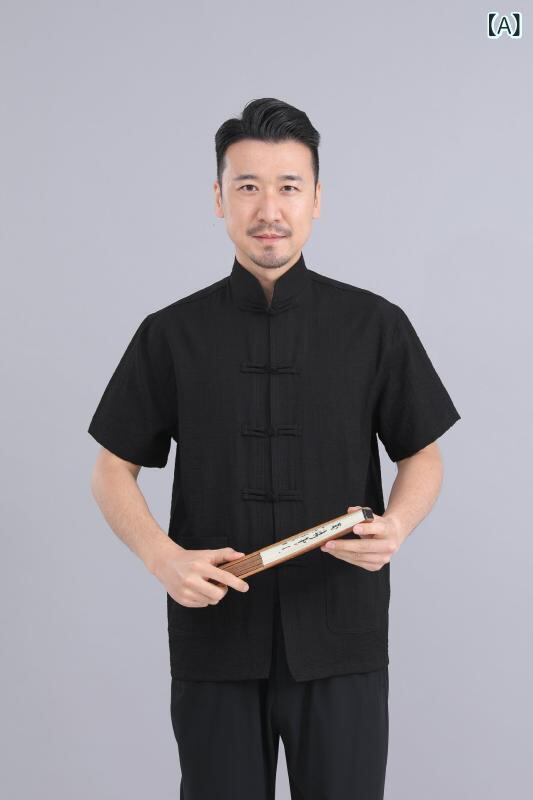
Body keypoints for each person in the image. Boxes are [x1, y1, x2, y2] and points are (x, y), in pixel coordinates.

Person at [88, 97, 461, 799]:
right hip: (214, 639)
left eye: (288, 186)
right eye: (247, 187)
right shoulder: (170, 333)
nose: (269, 209)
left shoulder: (374, 325)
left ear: (316, 198)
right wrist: (161, 557)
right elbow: (112, 468)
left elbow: (423, 454)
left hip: (341, 635)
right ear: (218, 199)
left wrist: (399, 525)